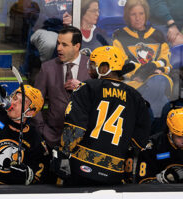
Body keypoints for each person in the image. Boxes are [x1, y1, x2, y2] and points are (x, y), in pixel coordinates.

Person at [54, 46, 151, 186]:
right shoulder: (136, 97)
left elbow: (74, 127)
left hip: (81, 168)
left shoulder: (87, 87)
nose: (89, 69)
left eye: (93, 65)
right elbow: (139, 141)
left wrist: (64, 154)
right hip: (115, 172)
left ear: (105, 68)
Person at [112, 0, 173, 132]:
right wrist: (153, 70)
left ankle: (144, 138)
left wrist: (149, 69)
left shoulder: (157, 35)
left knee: (158, 82)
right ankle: (151, 138)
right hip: (134, 86)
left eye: (141, 13)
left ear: (146, 14)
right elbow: (124, 64)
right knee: (163, 104)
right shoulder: (119, 36)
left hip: (158, 82)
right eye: (133, 14)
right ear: (127, 16)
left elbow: (166, 62)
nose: (138, 18)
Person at [32, 26, 91, 149]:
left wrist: (82, 87)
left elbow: (100, 100)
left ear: (77, 46)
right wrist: (42, 130)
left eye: (64, 45)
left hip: (85, 141)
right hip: (53, 139)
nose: (58, 48)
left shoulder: (91, 67)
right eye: (58, 43)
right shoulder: (47, 68)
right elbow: (35, 102)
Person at [136, 108, 183, 184]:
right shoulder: (152, 147)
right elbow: (143, 182)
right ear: (170, 132)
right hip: (161, 193)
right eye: (179, 137)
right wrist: (162, 179)